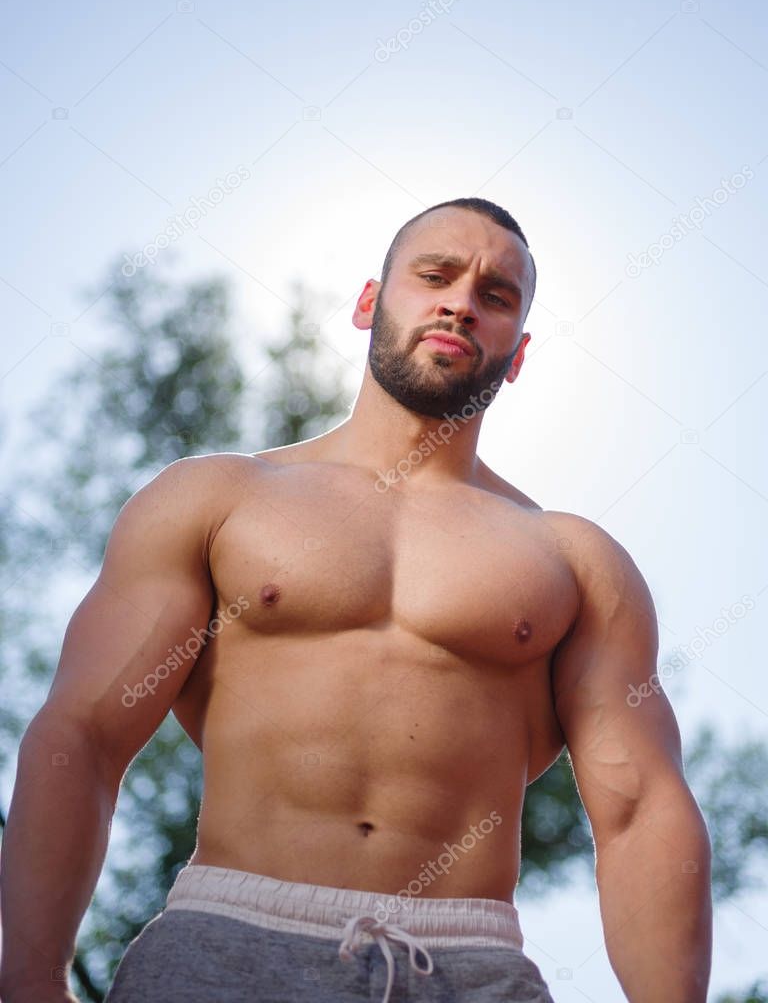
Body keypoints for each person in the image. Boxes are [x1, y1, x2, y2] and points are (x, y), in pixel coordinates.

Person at [0, 197, 712, 1003]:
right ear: (370, 303)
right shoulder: (215, 497)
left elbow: (641, 808)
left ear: (517, 354)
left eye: (497, 296)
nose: (461, 302)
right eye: (435, 276)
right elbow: (83, 736)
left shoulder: (576, 560)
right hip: (226, 942)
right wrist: (28, 977)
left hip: (470, 964)